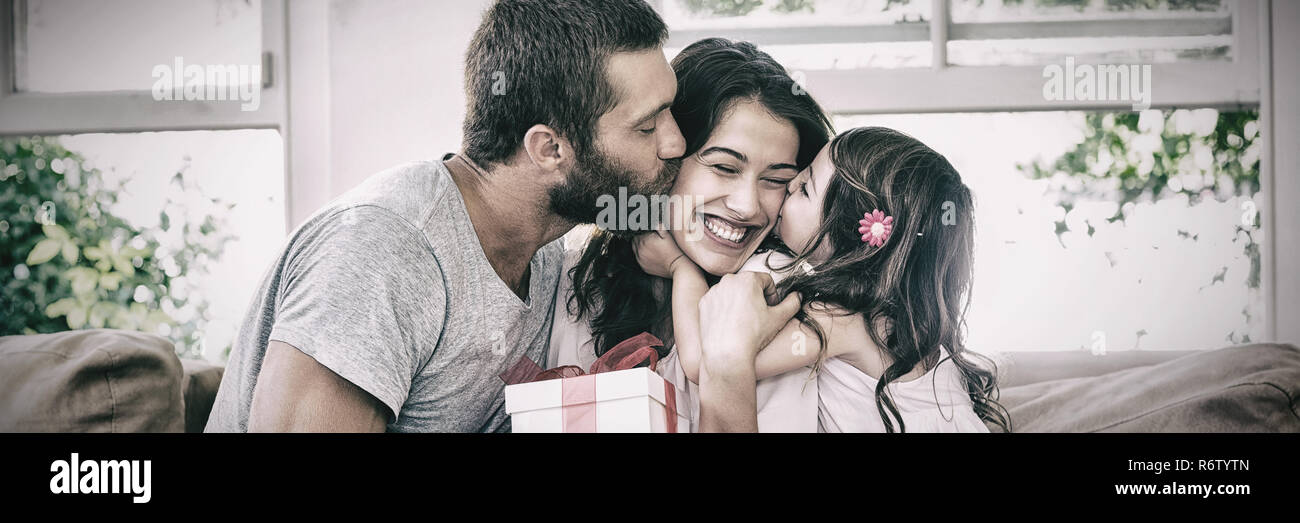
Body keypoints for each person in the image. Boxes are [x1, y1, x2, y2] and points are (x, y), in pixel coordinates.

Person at [205, 0, 687, 432]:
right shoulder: (382, 253)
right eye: (647, 126)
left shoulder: (542, 253)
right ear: (550, 148)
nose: (676, 143)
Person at [641, 127, 1012, 432]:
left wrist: (679, 267)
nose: (789, 184)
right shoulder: (900, 322)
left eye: (804, 188)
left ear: (848, 241)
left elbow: (704, 362)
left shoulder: (844, 319)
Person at [549, 38, 833, 431]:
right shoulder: (581, 279)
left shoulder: (779, 296)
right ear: (666, 155)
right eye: (724, 168)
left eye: (776, 179)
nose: (747, 206)